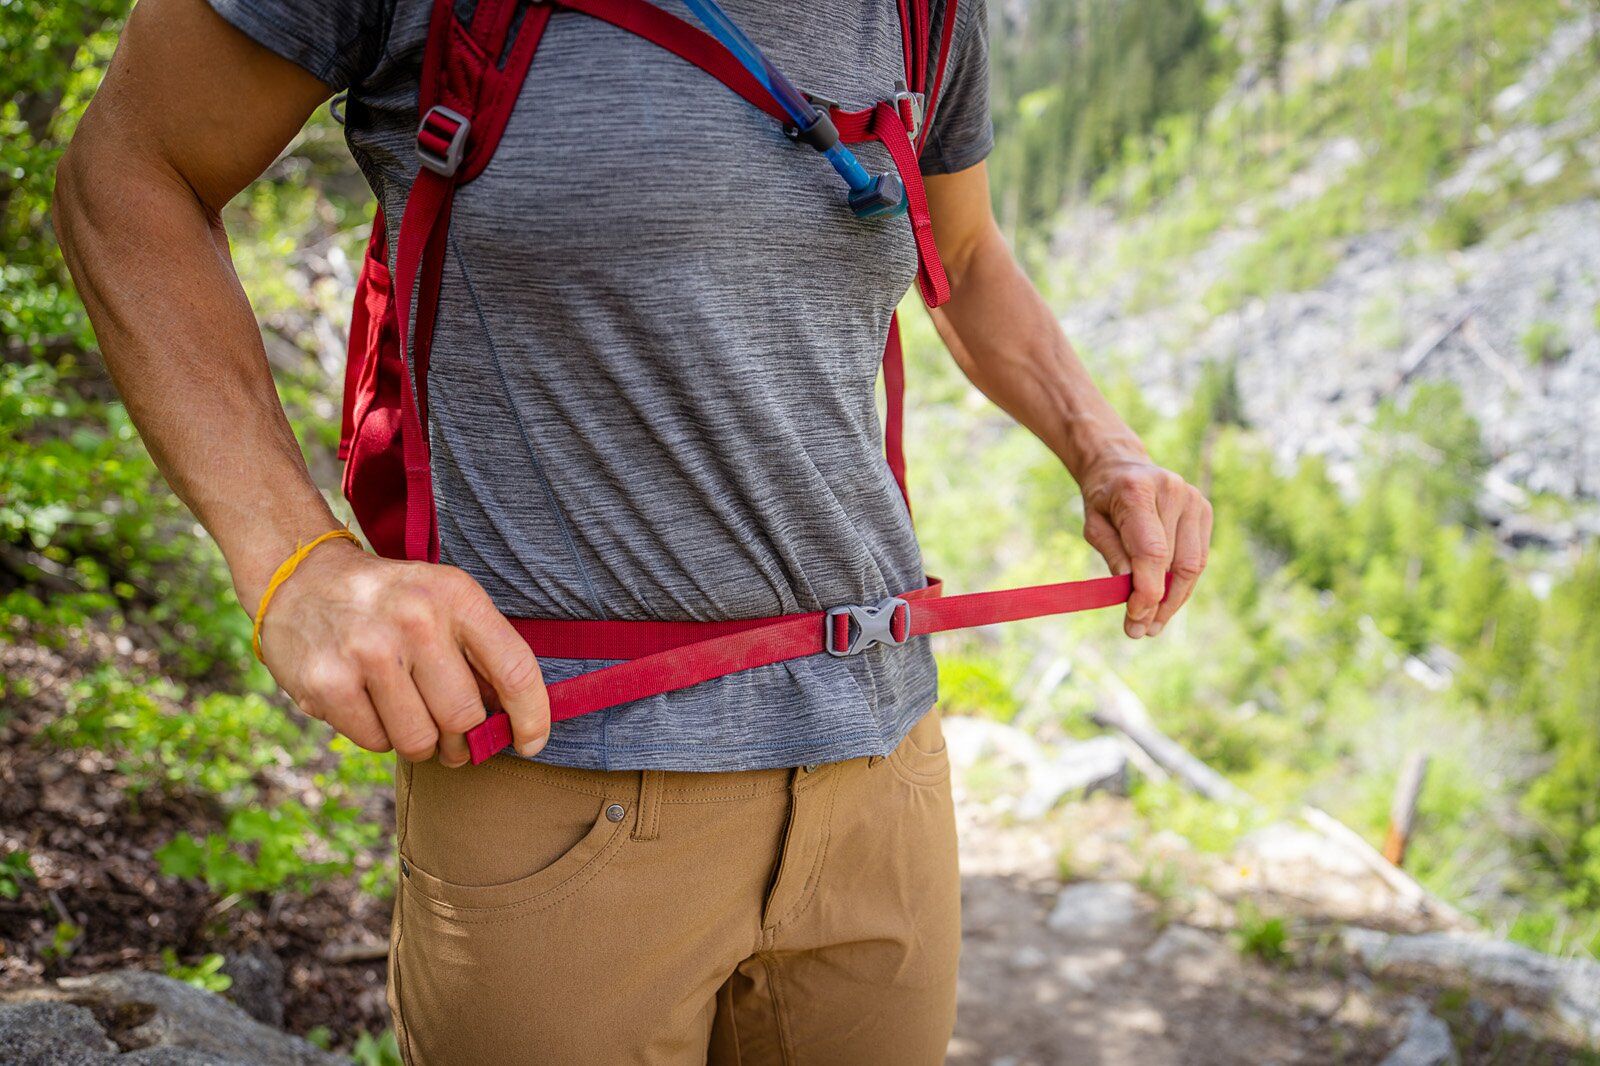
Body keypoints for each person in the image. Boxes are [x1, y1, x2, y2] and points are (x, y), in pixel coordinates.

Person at [53, 0, 1212, 1061]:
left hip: (881, 767)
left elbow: (961, 251)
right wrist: (294, 563)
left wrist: (1103, 448)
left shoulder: (921, 10)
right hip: (559, 781)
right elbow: (130, 171)